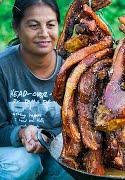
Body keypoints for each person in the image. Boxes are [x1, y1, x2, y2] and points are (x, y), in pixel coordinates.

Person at [0, 0, 73, 179]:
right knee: (24, 163)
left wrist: (48, 138)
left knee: (77, 165)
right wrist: (21, 133)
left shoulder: (72, 67)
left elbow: (80, 126)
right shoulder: (3, 67)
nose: (44, 34)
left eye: (50, 25)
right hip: (15, 155)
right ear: (16, 27)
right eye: (33, 25)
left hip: (57, 153)